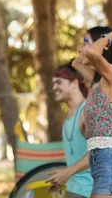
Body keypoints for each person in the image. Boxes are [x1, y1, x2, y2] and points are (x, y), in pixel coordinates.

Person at [46, 60, 93, 197]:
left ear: (74, 83)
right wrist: (64, 177)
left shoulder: (86, 112)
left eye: (59, 82)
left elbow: (98, 151)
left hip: (89, 191)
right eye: (53, 83)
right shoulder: (67, 116)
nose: (54, 87)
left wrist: (67, 172)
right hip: (73, 189)